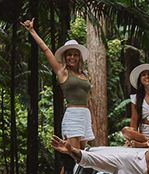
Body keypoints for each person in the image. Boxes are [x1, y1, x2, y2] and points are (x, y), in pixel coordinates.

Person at [21, 18, 95, 150]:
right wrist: (32, 31)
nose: (72, 57)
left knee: (83, 157)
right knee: (74, 156)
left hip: (85, 115)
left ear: (79, 58)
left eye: (75, 55)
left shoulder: (85, 74)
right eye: (69, 55)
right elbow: (46, 50)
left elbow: (89, 99)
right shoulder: (62, 72)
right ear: (65, 57)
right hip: (73, 114)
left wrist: (92, 120)